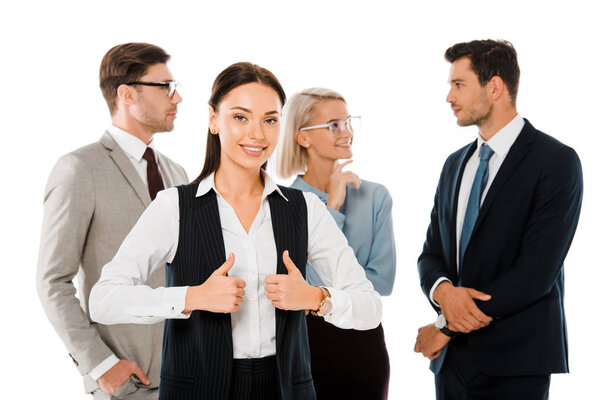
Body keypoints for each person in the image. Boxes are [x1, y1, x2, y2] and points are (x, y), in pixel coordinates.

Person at [89, 62, 382, 400]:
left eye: (269, 120)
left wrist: (316, 299)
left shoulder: (306, 209)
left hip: (287, 390)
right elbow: (103, 300)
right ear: (214, 120)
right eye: (240, 117)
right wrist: (192, 297)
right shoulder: (174, 207)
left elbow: (370, 308)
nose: (257, 134)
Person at [413, 39, 583, 400]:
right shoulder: (454, 165)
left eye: (459, 85)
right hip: (451, 368)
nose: (449, 97)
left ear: (494, 87)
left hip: (516, 365)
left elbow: (534, 275)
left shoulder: (556, 162)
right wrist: (442, 291)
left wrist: (445, 326)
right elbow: (431, 255)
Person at [36, 42, 188, 399]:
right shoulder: (80, 169)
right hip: (127, 383)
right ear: (127, 94)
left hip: (186, 374)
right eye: (165, 86)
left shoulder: (177, 173)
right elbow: (53, 281)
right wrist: (101, 365)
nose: (177, 97)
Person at [275, 88, 395, 399]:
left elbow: (381, 281)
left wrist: (323, 292)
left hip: (363, 343)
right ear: (304, 138)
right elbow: (299, 279)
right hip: (308, 344)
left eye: (348, 121)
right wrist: (332, 209)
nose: (347, 132)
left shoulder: (375, 196)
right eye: (334, 125)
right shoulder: (284, 202)